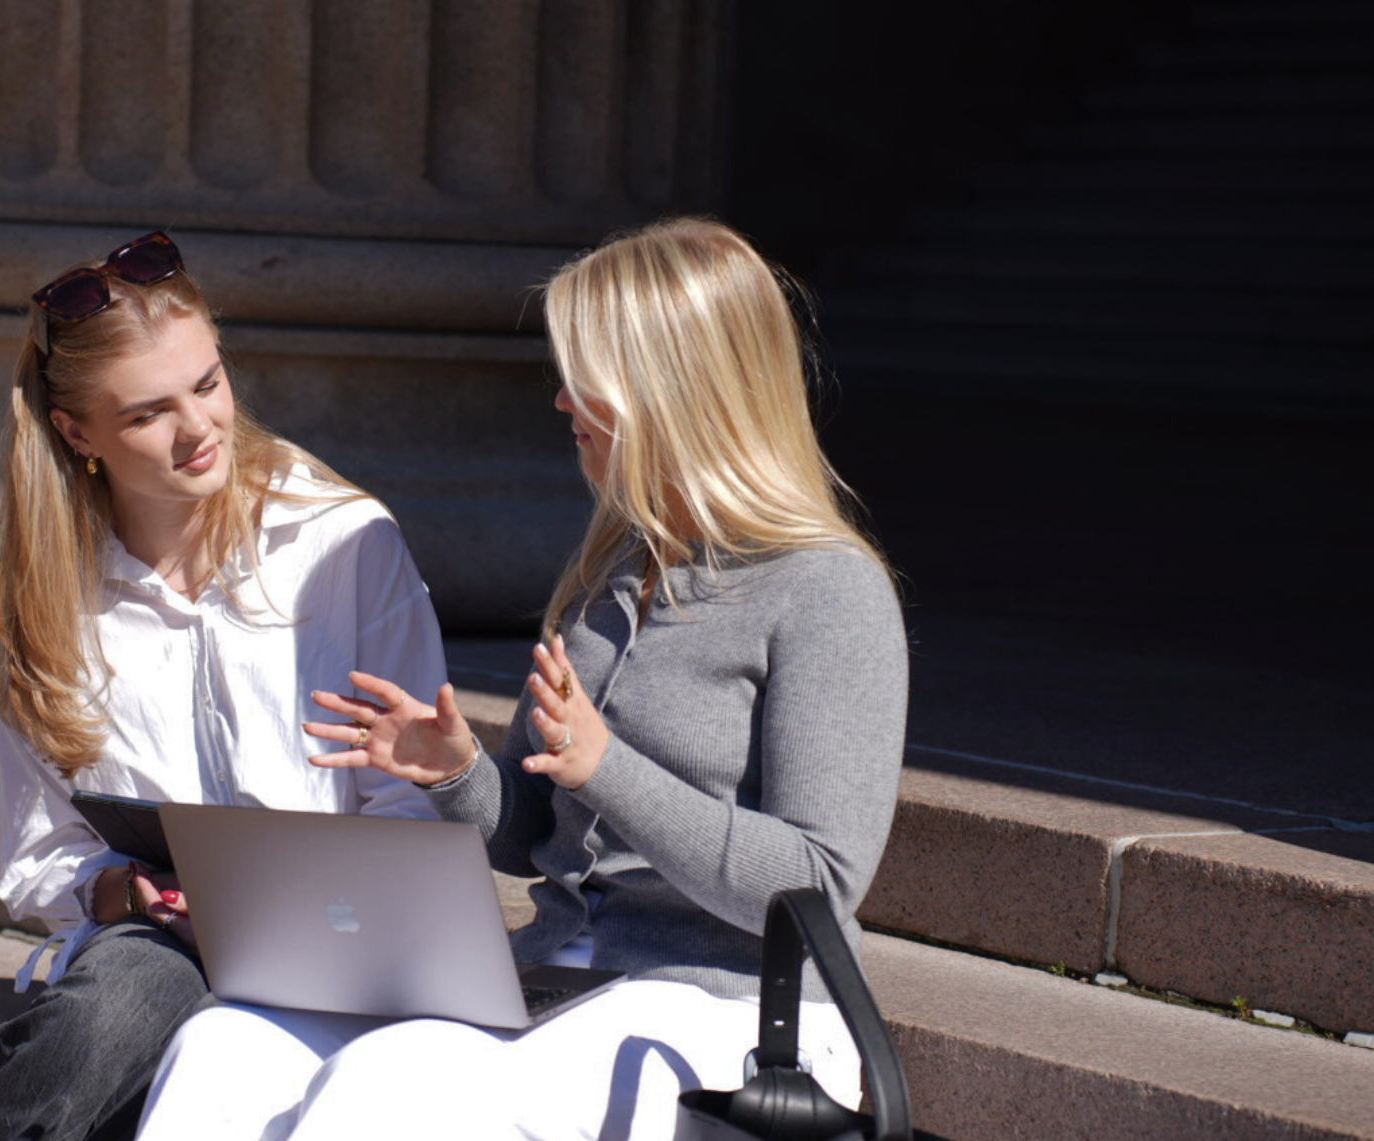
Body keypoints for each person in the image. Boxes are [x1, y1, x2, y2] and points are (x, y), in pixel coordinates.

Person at [134, 217, 909, 1141]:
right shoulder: (611, 568)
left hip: (732, 1012)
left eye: (586, 377)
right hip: (552, 975)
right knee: (224, 1049)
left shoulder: (828, 589)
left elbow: (817, 885)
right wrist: (458, 774)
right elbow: (539, 836)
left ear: (672, 390)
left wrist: (606, 765)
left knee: (388, 1089)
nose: (559, 401)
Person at [0, 231, 447, 1141]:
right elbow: (43, 855)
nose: (199, 428)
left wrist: (311, 917)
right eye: (146, 413)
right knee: (115, 1007)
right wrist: (131, 895)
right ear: (76, 432)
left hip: (344, 935)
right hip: (161, 940)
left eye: (208, 383)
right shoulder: (44, 597)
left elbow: (409, 806)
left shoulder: (342, 540)